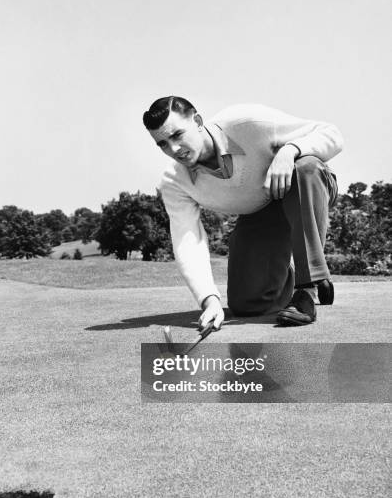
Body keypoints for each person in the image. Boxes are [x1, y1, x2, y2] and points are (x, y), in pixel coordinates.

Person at [142, 97, 343, 329]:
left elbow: (332, 134)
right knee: (247, 304)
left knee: (305, 166)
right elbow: (188, 241)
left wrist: (289, 151)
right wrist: (209, 301)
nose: (174, 149)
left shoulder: (248, 122)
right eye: (163, 144)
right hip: (260, 212)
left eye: (177, 135)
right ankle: (292, 271)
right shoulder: (174, 182)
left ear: (197, 121)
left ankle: (308, 288)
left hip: (306, 186)